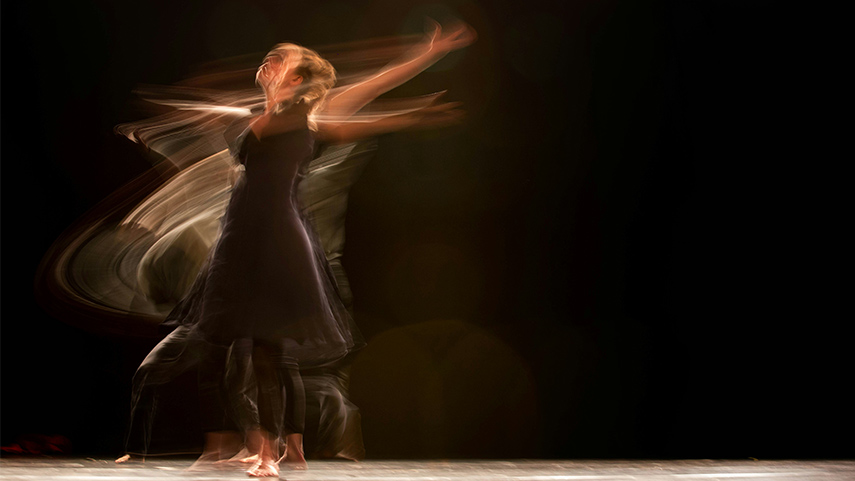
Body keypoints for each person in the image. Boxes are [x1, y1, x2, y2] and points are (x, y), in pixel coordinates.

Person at [119, 20, 475, 478]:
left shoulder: (310, 117)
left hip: (278, 237)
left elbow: (377, 84)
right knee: (230, 344)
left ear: (300, 78)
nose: (267, 62)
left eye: (280, 59)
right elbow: (214, 117)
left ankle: (271, 455)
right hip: (237, 238)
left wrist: (428, 55)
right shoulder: (257, 115)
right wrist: (160, 128)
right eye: (268, 57)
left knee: (269, 349)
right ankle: (248, 446)